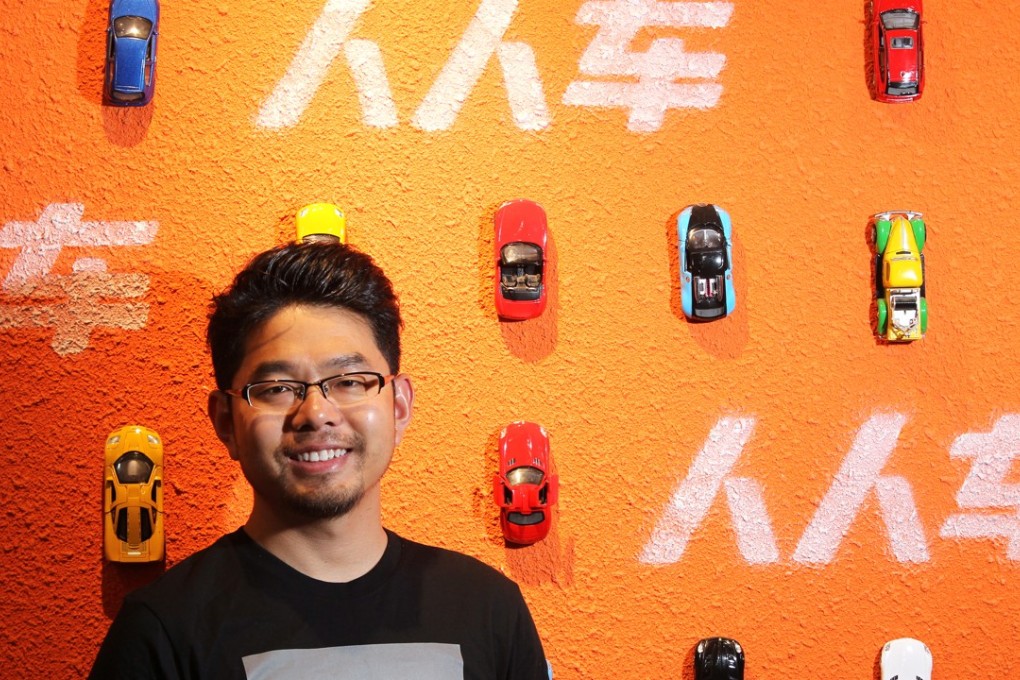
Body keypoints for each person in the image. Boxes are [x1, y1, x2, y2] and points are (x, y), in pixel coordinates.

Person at [90, 242, 548, 679]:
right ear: (226, 422)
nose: (315, 414)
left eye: (349, 381)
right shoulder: (162, 631)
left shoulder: (488, 609)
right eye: (276, 388)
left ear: (399, 406)